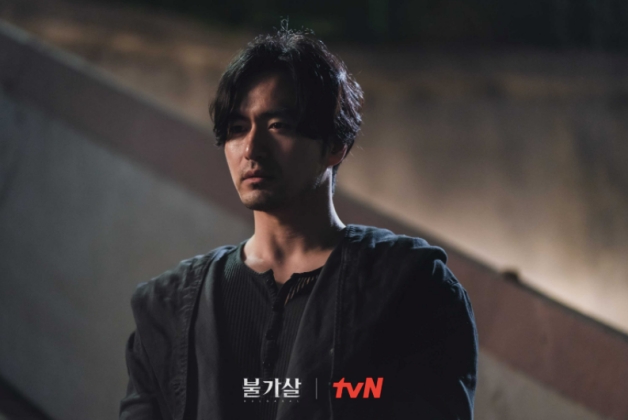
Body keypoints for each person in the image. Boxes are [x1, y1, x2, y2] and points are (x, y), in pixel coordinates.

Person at [119, 26, 478, 420]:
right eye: (237, 129)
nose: (252, 149)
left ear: (335, 144)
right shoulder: (166, 307)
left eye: (279, 125)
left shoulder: (409, 288)